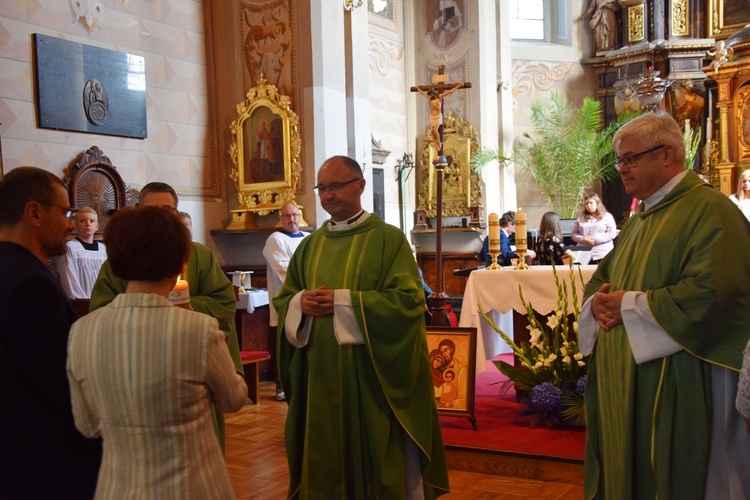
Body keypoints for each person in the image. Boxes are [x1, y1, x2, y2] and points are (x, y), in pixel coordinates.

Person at [579, 112, 750, 498]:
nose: (621, 169)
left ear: (668, 153)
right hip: (627, 377)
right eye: (620, 160)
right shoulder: (641, 217)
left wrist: (629, 305)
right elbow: (602, 276)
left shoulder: (710, 210)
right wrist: (598, 304)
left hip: (681, 376)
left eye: (630, 158)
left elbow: (716, 294)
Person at [274, 155, 450, 498]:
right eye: (322, 188)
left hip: (371, 377)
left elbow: (408, 302)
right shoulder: (309, 245)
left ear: (360, 185)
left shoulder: (388, 239)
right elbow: (286, 298)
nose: (327, 195)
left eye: (335, 186)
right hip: (319, 377)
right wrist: (300, 304)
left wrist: (344, 302)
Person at [67, 206, 247, 498]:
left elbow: (88, 425)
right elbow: (233, 400)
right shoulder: (198, 329)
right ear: (181, 259)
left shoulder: (81, 331)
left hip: (119, 489)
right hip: (191, 488)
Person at [90, 182, 242, 452]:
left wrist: (186, 306)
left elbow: (223, 302)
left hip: (192, 381)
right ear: (138, 212)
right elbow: (101, 306)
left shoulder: (200, 255)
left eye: (168, 211)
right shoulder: (119, 260)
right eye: (152, 210)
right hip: (134, 372)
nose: (161, 218)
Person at [0, 167, 102, 498]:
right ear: (34, 212)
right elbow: (63, 381)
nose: (71, 224)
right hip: (42, 460)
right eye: (65, 212)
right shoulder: (30, 283)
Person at [262, 202, 309, 401]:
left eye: (295, 215)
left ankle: (304, 383)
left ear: (300, 216)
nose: (292, 219)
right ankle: (282, 385)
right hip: (286, 298)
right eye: (287, 216)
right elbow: (285, 269)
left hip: (308, 297)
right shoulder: (275, 239)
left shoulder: (309, 238)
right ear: (281, 219)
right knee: (285, 342)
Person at [56, 206, 107, 298]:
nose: (88, 224)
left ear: (97, 226)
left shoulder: (104, 250)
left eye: (92, 221)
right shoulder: (70, 248)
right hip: (81, 304)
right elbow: (69, 281)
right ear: (76, 225)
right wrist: (84, 302)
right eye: (83, 221)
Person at [415, 83, 463, 153]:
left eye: (431, 95)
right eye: (430, 95)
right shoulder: (430, 98)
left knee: (435, 130)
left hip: (437, 116)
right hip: (432, 116)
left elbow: (450, 91)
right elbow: (423, 94)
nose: (431, 96)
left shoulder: (439, 97)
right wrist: (418, 89)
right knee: (431, 131)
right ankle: (436, 144)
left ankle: (439, 142)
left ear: (433, 93)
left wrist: (458, 86)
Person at [570, 193, 617, 264]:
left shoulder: (607, 216)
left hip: (602, 252)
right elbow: (574, 233)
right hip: (583, 252)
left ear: (597, 203)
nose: (588, 205)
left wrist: (596, 240)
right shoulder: (580, 216)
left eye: (591, 203)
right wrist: (582, 239)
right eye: (586, 204)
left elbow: (612, 233)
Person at [438, 338, 467, 410]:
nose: (443, 354)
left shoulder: (461, 369)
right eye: (441, 352)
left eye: (446, 350)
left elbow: (464, 397)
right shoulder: (438, 367)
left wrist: (451, 403)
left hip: (452, 403)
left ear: (452, 350)